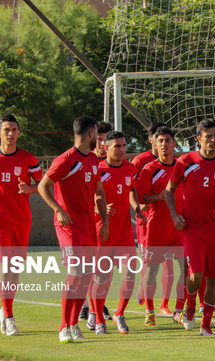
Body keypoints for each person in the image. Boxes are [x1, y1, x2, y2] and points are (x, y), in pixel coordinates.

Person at [38, 116, 110, 343]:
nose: (99, 140)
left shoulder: (93, 161)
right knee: (75, 274)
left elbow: (99, 192)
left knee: (86, 276)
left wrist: (105, 222)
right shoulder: (65, 160)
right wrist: (58, 210)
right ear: (90, 134)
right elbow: (42, 186)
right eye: (97, 135)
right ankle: (63, 327)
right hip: (69, 227)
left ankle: (73, 324)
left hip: (89, 226)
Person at [166, 118, 215, 337]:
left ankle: (206, 324)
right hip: (192, 230)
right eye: (209, 136)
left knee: (213, 278)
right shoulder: (185, 162)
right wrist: (175, 215)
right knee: (196, 275)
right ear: (199, 139)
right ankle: (189, 308)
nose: (213, 140)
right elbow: (169, 190)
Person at [0, 114, 43, 336]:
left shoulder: (28, 158)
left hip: (21, 220)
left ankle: (4, 310)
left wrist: (30, 189)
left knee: (14, 270)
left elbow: (42, 184)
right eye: (6, 130)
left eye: (14, 130)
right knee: (5, 267)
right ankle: (9, 316)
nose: (11, 134)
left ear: (19, 132)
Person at [89, 131, 146, 335]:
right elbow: (87, 199)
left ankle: (119, 314)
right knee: (102, 277)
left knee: (131, 271)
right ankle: (97, 319)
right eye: (117, 146)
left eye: (124, 145)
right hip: (102, 231)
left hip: (124, 232)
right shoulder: (97, 169)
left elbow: (131, 189)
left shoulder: (130, 168)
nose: (122, 150)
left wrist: (137, 209)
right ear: (106, 148)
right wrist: (99, 210)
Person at [136, 126, 183, 327]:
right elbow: (139, 196)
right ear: (155, 144)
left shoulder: (182, 166)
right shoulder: (149, 169)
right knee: (152, 270)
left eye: (168, 140)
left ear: (174, 143)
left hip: (180, 226)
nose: (164, 144)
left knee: (188, 270)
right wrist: (158, 197)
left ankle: (180, 310)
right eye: (160, 141)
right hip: (157, 227)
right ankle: (149, 310)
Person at [80, 120, 113, 323]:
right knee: (86, 267)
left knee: (103, 268)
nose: (102, 143)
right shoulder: (88, 161)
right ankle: (86, 306)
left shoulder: (116, 163)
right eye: (99, 139)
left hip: (108, 224)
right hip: (85, 222)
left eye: (106, 139)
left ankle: (96, 305)